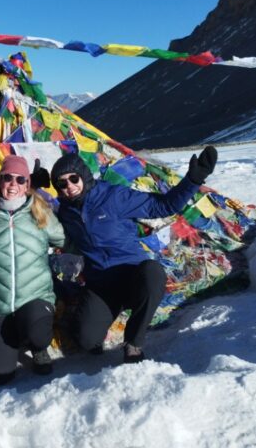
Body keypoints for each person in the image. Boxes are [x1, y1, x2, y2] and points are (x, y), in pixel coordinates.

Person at [51, 146, 217, 364]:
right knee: (87, 340)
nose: (69, 187)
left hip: (131, 275)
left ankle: (133, 342)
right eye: (62, 184)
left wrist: (193, 180)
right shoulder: (65, 212)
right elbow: (41, 222)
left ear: (83, 175)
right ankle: (110, 312)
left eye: (73, 179)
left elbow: (163, 206)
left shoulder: (115, 196)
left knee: (153, 273)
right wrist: (33, 187)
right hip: (101, 285)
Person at [0, 156, 65, 385]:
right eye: (8, 178)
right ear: (0, 180)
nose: (13, 184)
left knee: (38, 332)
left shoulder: (40, 212)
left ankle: (38, 348)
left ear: (27, 184)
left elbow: (64, 240)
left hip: (34, 297)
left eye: (20, 179)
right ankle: (9, 336)